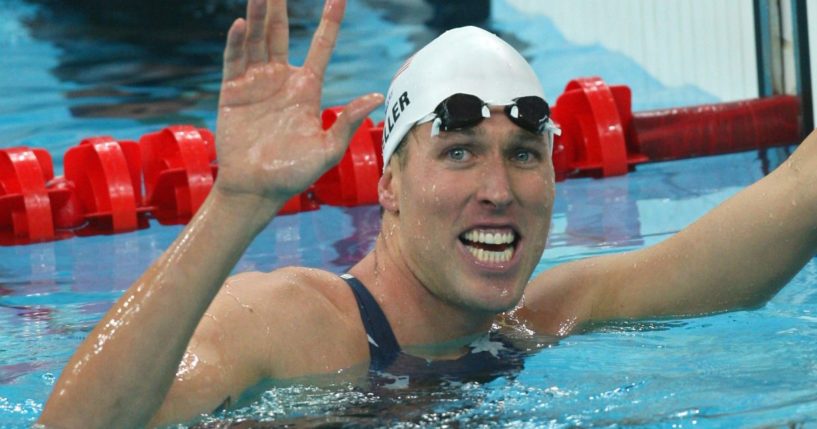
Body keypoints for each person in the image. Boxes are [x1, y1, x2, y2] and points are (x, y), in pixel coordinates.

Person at [37, 0, 817, 427]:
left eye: (521, 153)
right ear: (387, 184)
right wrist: (237, 202)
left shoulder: (537, 324)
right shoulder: (290, 323)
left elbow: (787, 204)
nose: (498, 189)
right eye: (457, 151)